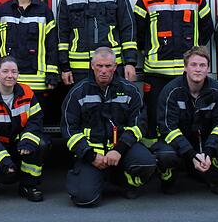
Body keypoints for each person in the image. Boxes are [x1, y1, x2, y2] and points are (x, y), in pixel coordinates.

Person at [134, 0, 214, 141]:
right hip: (156, 72)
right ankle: (154, 154)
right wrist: (145, 49)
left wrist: (195, 52)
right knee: (154, 115)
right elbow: (137, 30)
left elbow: (207, 27)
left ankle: (182, 152)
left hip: (186, 72)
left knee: (184, 115)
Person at [62, 47, 155, 207]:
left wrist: (119, 150)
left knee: (146, 163)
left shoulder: (130, 91)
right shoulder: (77, 92)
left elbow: (139, 125)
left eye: (108, 66)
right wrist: (91, 156)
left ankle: (124, 180)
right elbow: (69, 130)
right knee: (85, 199)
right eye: (99, 66)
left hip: (121, 150)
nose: (103, 71)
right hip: (92, 153)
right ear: (92, 66)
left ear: (115, 66)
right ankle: (95, 176)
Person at [152, 46, 218, 195]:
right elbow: (168, 128)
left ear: (208, 69)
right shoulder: (171, 91)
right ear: (185, 67)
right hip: (180, 145)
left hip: (207, 145)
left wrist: (209, 152)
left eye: (202, 65)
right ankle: (169, 181)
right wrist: (191, 154)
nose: (198, 69)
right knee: (165, 155)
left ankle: (215, 179)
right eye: (193, 65)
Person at [0, 56, 49, 202]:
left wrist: (27, 142)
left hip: (17, 143)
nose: (10, 75)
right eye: (5, 71)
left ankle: (28, 185)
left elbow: (36, 120)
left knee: (41, 144)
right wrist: (4, 161)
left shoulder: (27, 92)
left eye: (14, 72)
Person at [57, 0, 137, 85]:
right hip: (78, 70)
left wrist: (130, 62)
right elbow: (61, 34)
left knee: (113, 106)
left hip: (111, 67)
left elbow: (128, 29)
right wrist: (64, 67)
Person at [0, 0, 58, 112]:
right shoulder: (3, 10)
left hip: (37, 79)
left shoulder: (44, 11)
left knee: (35, 119)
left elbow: (51, 44)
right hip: (8, 78)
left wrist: (52, 73)